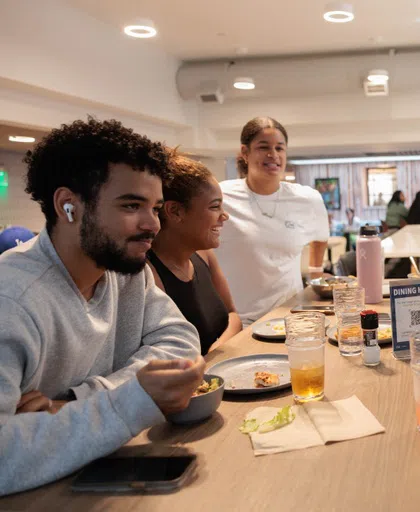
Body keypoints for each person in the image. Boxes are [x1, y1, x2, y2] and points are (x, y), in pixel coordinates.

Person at [0, 118, 203, 496]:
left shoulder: (124, 271)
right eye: (131, 205)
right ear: (68, 205)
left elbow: (180, 343)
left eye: (156, 208)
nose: (153, 224)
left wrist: (76, 402)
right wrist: (126, 403)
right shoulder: (12, 300)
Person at [214, 117, 330, 325]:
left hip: (292, 316)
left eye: (280, 148)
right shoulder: (221, 196)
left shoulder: (307, 198)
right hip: (238, 320)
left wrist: (315, 280)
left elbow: (321, 237)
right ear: (245, 152)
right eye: (263, 147)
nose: (273, 155)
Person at [147, 149, 242, 355]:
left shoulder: (204, 255)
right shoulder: (148, 273)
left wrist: (216, 352)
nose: (224, 216)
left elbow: (233, 316)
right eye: (215, 207)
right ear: (175, 211)